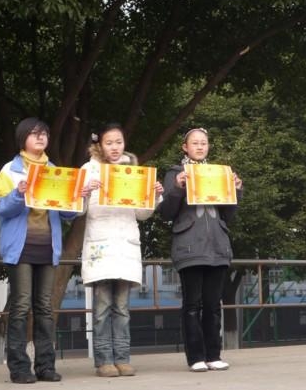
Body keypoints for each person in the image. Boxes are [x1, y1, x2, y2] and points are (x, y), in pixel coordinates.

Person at [0, 117, 78, 384]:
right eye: (34, 134)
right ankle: (18, 367)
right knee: (21, 305)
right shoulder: (10, 170)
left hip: (47, 246)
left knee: (44, 307)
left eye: (44, 134)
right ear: (23, 139)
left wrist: (77, 196)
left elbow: (66, 215)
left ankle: (45, 367)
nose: (40, 138)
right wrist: (18, 193)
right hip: (20, 247)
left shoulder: (54, 170)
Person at [80, 123, 163, 377]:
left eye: (118, 142)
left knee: (123, 308)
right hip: (101, 244)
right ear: (99, 145)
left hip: (126, 243)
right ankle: (104, 360)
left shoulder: (134, 171)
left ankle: (123, 357)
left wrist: (154, 196)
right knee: (103, 306)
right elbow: (78, 210)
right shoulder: (89, 170)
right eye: (109, 143)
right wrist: (83, 193)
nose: (115, 147)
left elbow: (142, 214)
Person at [158, 127, 243, 372]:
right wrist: (177, 187)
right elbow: (166, 213)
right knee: (192, 304)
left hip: (217, 246)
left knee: (213, 304)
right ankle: (195, 357)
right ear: (185, 147)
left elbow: (228, 215)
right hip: (189, 247)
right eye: (194, 143)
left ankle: (213, 354)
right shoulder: (175, 173)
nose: (199, 147)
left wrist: (235, 190)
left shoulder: (219, 173)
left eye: (203, 143)